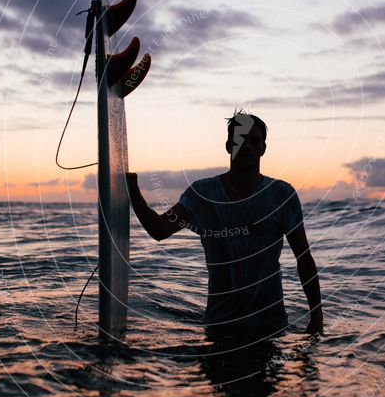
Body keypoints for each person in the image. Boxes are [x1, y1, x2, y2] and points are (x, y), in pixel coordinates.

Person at [126, 112, 323, 336]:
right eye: (240, 140)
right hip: (219, 325)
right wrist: (132, 189)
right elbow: (159, 230)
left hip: (270, 326)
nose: (247, 146)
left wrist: (317, 319)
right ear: (229, 146)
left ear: (263, 148)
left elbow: (304, 258)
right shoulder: (203, 194)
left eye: (254, 141)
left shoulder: (281, 195)